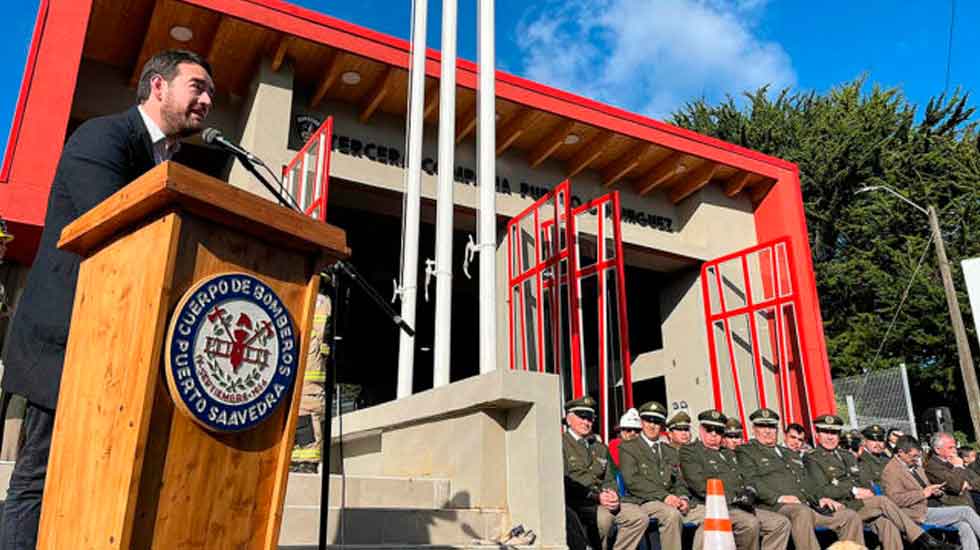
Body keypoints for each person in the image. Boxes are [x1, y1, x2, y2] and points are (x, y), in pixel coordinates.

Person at [0, 49, 214, 549]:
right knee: (39, 476)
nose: (206, 100)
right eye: (197, 87)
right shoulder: (105, 138)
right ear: (158, 87)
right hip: (65, 341)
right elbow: (116, 229)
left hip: (112, 346)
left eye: (210, 93)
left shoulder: (163, 157)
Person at [805, 414, 949, 550]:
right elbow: (822, 491)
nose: (830, 437)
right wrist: (852, 490)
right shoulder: (812, 458)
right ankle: (924, 541)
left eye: (834, 433)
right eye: (826, 432)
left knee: (887, 523)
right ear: (817, 434)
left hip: (860, 505)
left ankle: (923, 541)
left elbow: (864, 481)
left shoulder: (847, 456)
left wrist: (867, 491)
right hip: (840, 508)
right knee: (882, 501)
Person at [737, 407, 866, 550]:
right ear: (754, 429)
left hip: (807, 506)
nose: (768, 431)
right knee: (801, 512)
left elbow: (807, 481)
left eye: (772, 427)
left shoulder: (789, 453)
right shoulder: (746, 451)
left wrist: (820, 498)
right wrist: (779, 497)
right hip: (775, 507)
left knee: (849, 516)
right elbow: (752, 481)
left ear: (777, 429)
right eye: (762, 426)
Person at [679, 408, 791, 550]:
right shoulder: (691, 451)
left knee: (780, 523)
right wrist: (734, 498)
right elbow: (698, 483)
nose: (713, 434)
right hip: (715, 506)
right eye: (709, 429)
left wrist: (750, 491)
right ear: (701, 429)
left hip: (742, 506)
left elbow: (747, 476)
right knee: (750, 524)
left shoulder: (730, 454)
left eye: (719, 431)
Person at [561, 396, 646, 550]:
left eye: (590, 419)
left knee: (639, 518)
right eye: (582, 417)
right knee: (605, 519)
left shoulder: (600, 448)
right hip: (579, 502)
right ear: (568, 419)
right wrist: (597, 497)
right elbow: (564, 482)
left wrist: (613, 494)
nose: (587, 423)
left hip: (604, 500)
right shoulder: (561, 444)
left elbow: (610, 478)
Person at [619, 400, 703, 549]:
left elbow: (679, 480)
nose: (652, 425)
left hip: (672, 501)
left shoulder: (669, 450)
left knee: (709, 514)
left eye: (657, 422)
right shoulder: (629, 448)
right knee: (671, 515)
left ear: (662, 426)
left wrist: (683, 498)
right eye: (648, 420)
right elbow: (633, 481)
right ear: (642, 422)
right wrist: (664, 497)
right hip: (643, 501)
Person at [883, 435, 977, 550]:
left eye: (918, 456)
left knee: (964, 526)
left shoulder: (914, 466)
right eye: (913, 456)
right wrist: (923, 493)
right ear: (901, 452)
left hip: (932, 506)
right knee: (965, 511)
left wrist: (934, 490)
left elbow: (926, 487)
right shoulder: (891, 471)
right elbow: (894, 500)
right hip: (916, 512)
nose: (916, 459)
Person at [925, 432, 980, 510]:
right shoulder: (932, 467)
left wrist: (969, 485)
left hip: (969, 501)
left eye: (955, 447)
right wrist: (958, 467)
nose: (954, 451)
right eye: (950, 448)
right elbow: (956, 486)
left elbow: (974, 479)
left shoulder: (951, 461)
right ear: (937, 449)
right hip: (957, 507)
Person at [859, 424, 890, 491]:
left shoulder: (887, 460)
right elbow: (870, 486)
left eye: (880, 440)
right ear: (864, 442)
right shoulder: (861, 461)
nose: (878, 444)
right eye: (873, 440)